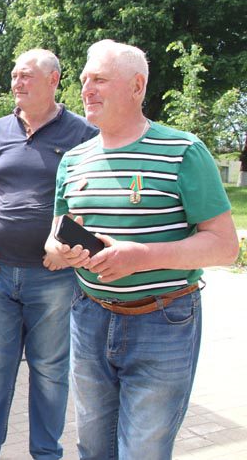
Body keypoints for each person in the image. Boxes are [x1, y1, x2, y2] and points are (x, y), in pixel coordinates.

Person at [46, 39, 239, 460]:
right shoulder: (73, 160)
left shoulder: (184, 152)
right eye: (83, 80)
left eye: (99, 79)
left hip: (164, 321)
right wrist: (65, 253)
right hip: (89, 315)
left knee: (143, 452)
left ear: (136, 86)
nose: (86, 89)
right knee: (93, 448)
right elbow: (54, 237)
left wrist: (141, 257)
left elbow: (226, 247)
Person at [0, 49, 98, 460]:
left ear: (54, 80)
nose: (16, 83)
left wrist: (65, 244)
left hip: (52, 277)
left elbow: (92, 202)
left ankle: (45, 454)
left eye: (26, 76)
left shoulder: (82, 134)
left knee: (51, 372)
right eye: (15, 75)